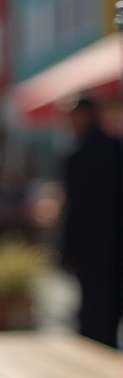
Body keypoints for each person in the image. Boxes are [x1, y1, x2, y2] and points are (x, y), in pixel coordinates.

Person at [61, 97, 123, 348]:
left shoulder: (79, 154)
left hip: (91, 248)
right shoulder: (116, 147)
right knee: (111, 310)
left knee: (93, 314)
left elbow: (76, 209)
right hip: (115, 245)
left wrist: (66, 252)